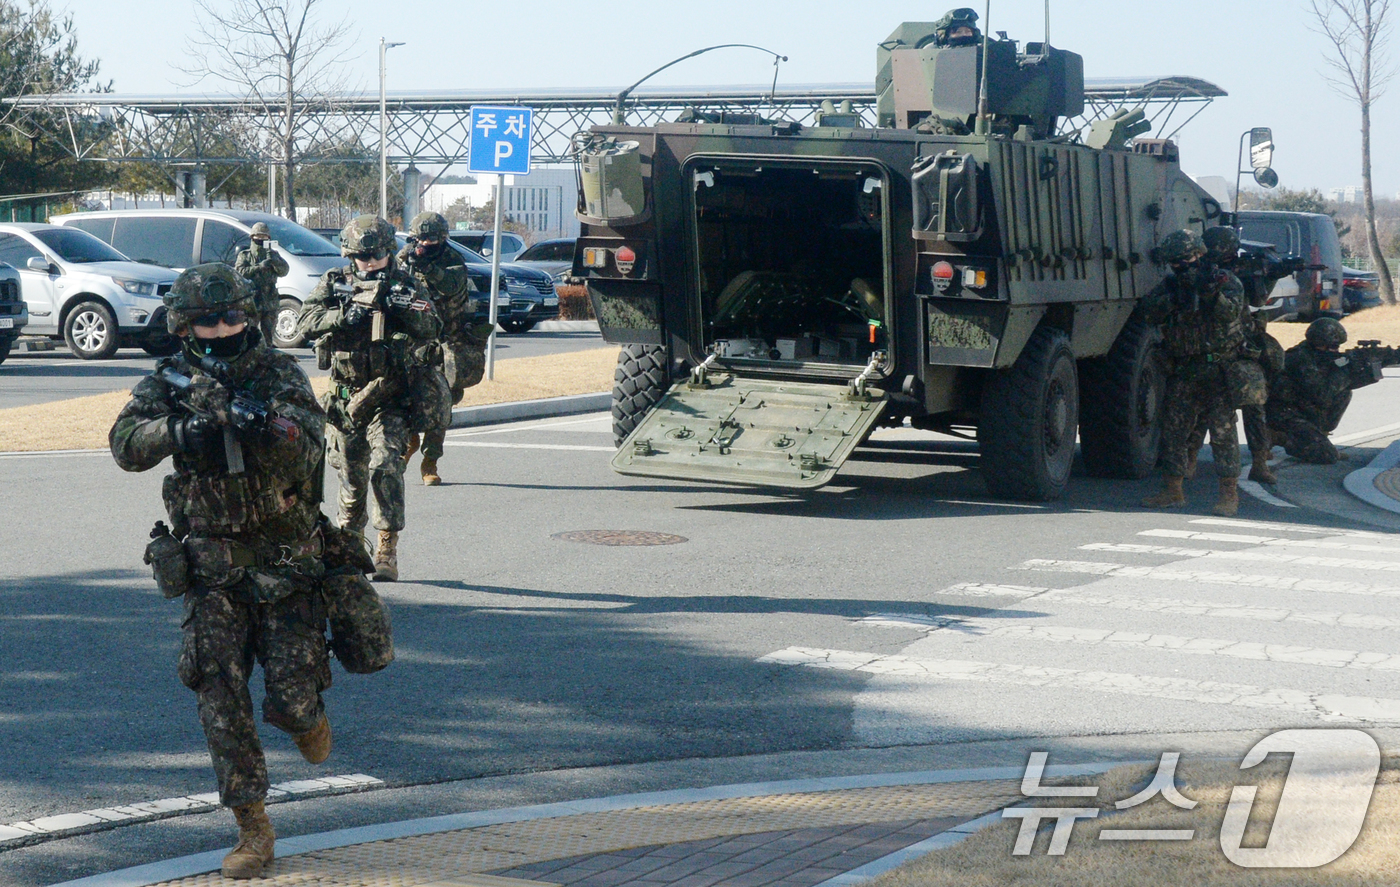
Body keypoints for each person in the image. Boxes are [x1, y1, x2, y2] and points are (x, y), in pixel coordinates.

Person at [109, 264, 332, 879]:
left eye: (231, 316)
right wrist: (185, 426)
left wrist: (263, 425)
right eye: (206, 320)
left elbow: (310, 444)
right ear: (184, 326)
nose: (221, 328)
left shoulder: (277, 373)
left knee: (290, 699)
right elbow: (126, 443)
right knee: (219, 699)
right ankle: (253, 829)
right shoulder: (172, 382)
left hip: (285, 568)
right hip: (211, 571)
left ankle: (308, 719)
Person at [297, 215, 443, 581]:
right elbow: (305, 322)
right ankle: (349, 544)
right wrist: (343, 317)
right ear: (350, 255)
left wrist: (405, 309)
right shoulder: (335, 282)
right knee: (351, 480)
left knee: (385, 466)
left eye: (377, 254)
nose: (370, 262)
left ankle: (387, 548)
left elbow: (433, 328)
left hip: (388, 396)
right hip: (346, 398)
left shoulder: (407, 283)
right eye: (363, 256)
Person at [1139, 229, 1247, 516]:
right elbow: (1149, 312)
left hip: (1218, 369)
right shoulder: (1172, 285)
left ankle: (1228, 494)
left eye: (1186, 259)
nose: (1181, 266)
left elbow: (1230, 314)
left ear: (1200, 254)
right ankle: (1172, 491)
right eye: (1175, 262)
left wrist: (1211, 294)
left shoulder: (1225, 281)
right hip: (1185, 369)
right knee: (1174, 432)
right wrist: (1176, 296)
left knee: (1223, 434)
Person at [1182, 226, 1281, 484]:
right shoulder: (1203, 273)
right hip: (1216, 345)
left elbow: (1258, 298)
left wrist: (1270, 276)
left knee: (1253, 404)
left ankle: (1259, 461)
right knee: (1209, 408)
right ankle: (1191, 458)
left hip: (1242, 344)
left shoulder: (1239, 271)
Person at [397, 211, 482, 485]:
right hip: (412, 340)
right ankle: (409, 441)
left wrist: (427, 267)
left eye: (431, 240)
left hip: (445, 342)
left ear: (442, 238)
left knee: (441, 404)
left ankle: (430, 460)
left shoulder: (453, 260)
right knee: (401, 396)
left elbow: (449, 285)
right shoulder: (405, 257)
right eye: (420, 239)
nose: (425, 244)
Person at [1267, 317, 1384, 464]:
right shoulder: (1300, 359)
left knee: (1344, 391)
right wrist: (1345, 369)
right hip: (1283, 414)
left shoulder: (1318, 356)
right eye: (1333, 346)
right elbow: (1321, 394)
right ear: (1320, 344)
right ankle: (1278, 436)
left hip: (1302, 409)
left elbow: (1345, 384)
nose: (1336, 351)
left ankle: (1321, 435)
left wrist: (1369, 370)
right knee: (1328, 456)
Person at [234, 222, 290, 346]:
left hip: (269, 300)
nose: (260, 240)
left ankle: (267, 355)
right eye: (258, 237)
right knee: (249, 333)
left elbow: (284, 271)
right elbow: (240, 272)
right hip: (252, 300)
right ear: (252, 238)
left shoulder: (274, 255)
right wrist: (258, 267)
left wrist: (275, 262)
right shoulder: (245, 255)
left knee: (268, 335)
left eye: (264, 237)